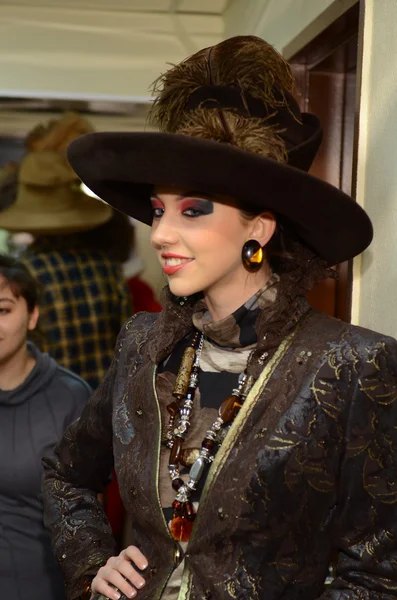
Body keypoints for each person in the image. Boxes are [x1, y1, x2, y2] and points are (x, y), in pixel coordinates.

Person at [42, 35, 397, 600]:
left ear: (258, 228)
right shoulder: (143, 344)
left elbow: (378, 573)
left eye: (193, 210)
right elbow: (66, 476)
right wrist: (93, 564)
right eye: (158, 211)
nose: (160, 233)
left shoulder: (351, 365)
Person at [0, 113, 131, 389]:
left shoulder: (22, 276)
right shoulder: (107, 268)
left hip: (43, 412)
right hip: (103, 413)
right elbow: (127, 349)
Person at [0, 254, 91, 600]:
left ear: (33, 315)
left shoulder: (69, 398)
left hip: (38, 587)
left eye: (3, 310)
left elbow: (86, 523)